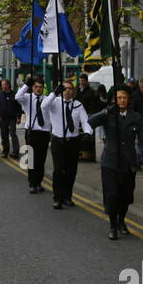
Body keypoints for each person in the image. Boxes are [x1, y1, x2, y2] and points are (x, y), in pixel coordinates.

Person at [89, 88, 143, 240]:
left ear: (129, 99)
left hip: (128, 162)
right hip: (110, 162)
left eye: (124, 97)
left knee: (126, 196)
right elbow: (90, 122)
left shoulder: (135, 117)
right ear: (113, 100)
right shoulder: (109, 114)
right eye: (119, 98)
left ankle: (121, 221)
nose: (122, 100)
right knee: (112, 195)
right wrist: (105, 112)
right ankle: (112, 226)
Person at [44, 81, 92, 209]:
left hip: (73, 141)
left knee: (71, 171)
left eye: (70, 89)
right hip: (58, 141)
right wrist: (54, 93)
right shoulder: (55, 102)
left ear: (74, 91)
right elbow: (43, 106)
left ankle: (67, 196)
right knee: (58, 170)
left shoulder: (78, 105)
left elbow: (85, 121)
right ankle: (57, 197)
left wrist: (88, 132)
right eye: (65, 89)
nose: (68, 91)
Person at [16, 77, 50, 193]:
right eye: (36, 86)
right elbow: (17, 97)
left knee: (41, 159)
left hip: (44, 132)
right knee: (31, 158)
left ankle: (39, 182)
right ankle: (32, 183)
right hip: (31, 132)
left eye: (40, 87)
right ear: (33, 87)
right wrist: (26, 85)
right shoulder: (27, 98)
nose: (38, 89)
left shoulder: (46, 99)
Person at [0, 78, 21, 159]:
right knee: (4, 135)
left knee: (13, 134)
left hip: (12, 118)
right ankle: (5, 152)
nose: (2, 86)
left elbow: (18, 107)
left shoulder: (14, 94)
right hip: (3, 119)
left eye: (4, 84)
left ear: (8, 85)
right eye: (2, 85)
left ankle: (15, 152)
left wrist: (19, 117)